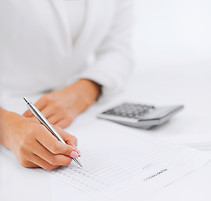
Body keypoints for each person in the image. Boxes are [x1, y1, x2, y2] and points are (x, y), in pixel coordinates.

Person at [0, 0, 133, 170]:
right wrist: (7, 128)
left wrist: (85, 90)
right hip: (10, 108)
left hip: (85, 113)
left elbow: (118, 50)